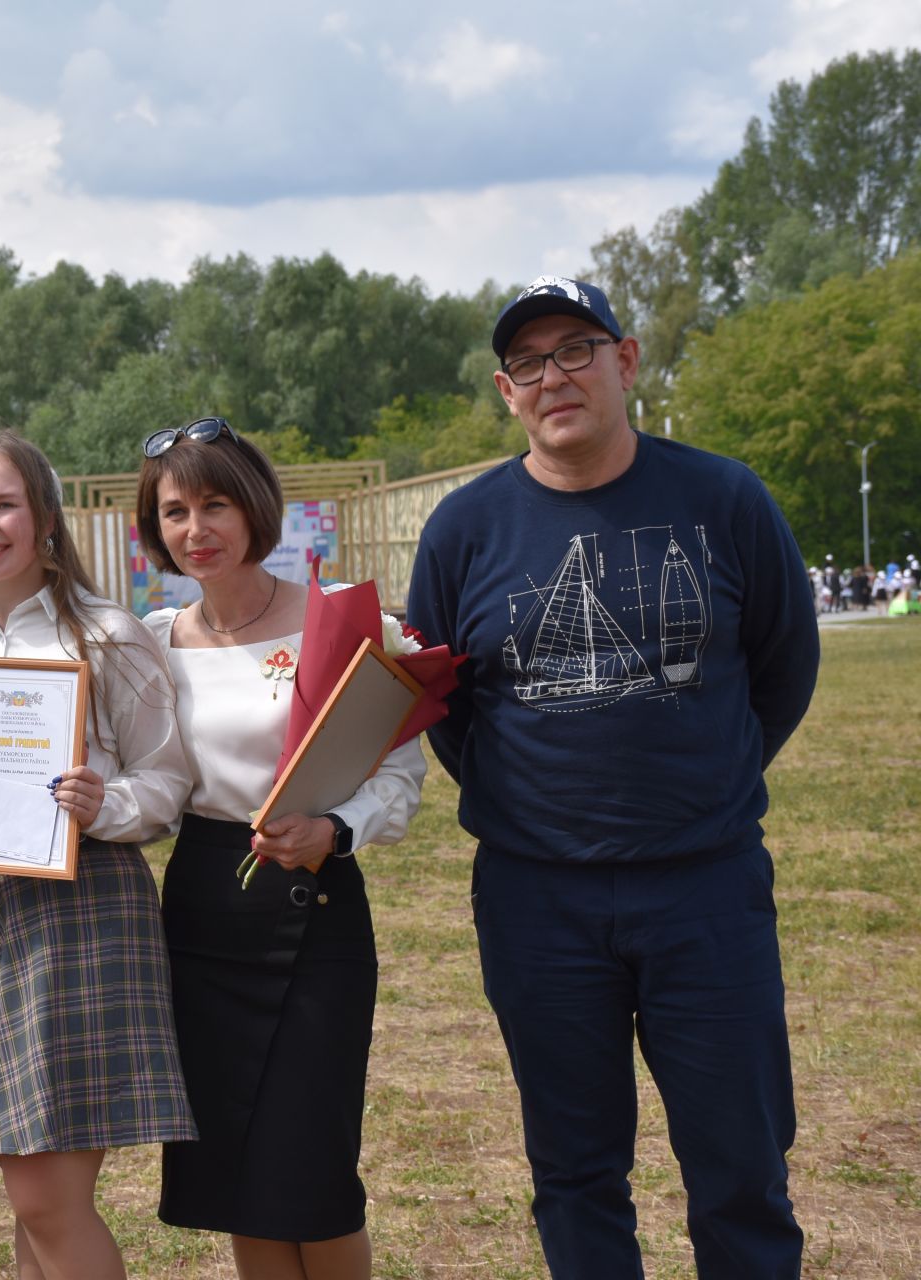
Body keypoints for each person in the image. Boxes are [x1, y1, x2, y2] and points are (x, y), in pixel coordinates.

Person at [406, 277, 819, 1279]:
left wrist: (700, 782)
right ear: (509, 392)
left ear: (626, 360)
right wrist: (537, 804)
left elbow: (782, 666)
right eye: (531, 363)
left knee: (741, 1165)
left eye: (576, 349)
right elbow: (444, 707)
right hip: (537, 896)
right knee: (576, 1170)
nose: (556, 376)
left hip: (706, 887)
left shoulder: (724, 498)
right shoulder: (464, 531)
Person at [0, 427, 195, 1280]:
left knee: (45, 1200)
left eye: (4, 505)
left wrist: (106, 805)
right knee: (29, 1200)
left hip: (84, 909)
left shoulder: (108, 636)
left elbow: (166, 782)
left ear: (46, 520)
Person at [136, 417, 425, 1279]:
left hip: (316, 911)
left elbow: (401, 780)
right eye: (175, 511)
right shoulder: (150, 642)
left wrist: (336, 831)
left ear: (255, 506)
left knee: (312, 1172)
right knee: (235, 1174)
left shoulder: (343, 623)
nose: (197, 530)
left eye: (215, 504)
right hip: (201, 915)